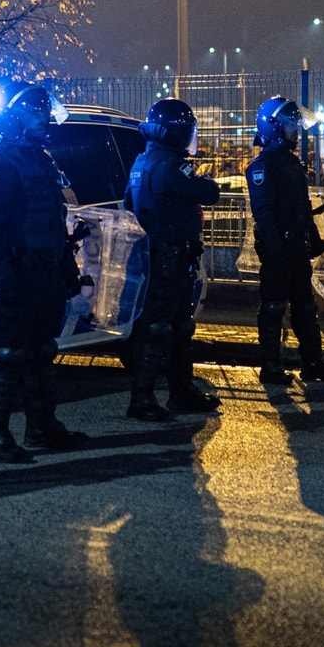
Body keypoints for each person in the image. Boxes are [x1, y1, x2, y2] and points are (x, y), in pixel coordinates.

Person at [0, 82, 88, 463]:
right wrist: (4, 281)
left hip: (47, 273)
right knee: (8, 355)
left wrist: (66, 268)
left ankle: (42, 426)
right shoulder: (0, 163)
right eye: (37, 112)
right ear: (16, 116)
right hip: (19, 275)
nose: (45, 119)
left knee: (43, 351)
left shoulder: (42, 158)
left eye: (44, 111)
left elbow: (55, 221)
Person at [123, 98, 221, 420]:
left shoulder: (141, 162)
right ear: (177, 132)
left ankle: (182, 392)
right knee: (159, 328)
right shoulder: (169, 165)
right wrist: (205, 181)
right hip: (169, 258)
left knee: (179, 327)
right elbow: (209, 193)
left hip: (160, 257)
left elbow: (127, 203)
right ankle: (143, 398)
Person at [246, 96, 324, 386]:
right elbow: (263, 213)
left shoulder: (291, 163)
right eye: (291, 125)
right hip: (278, 251)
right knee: (274, 307)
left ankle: (313, 363)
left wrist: (313, 241)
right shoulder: (261, 166)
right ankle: (271, 367)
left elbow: (302, 208)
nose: (296, 131)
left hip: (296, 248)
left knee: (305, 307)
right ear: (274, 127)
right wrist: (276, 248)